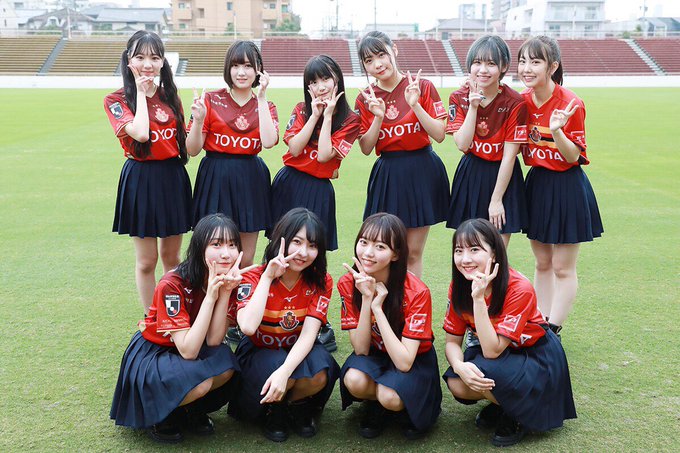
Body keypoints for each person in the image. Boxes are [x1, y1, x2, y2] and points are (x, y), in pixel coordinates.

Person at [110, 213, 250, 443]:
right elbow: (188, 351)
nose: (226, 253)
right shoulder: (172, 284)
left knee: (226, 365)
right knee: (201, 383)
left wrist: (224, 293)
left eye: (232, 245)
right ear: (200, 247)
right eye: (216, 244)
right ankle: (164, 415)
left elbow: (214, 341)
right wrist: (210, 298)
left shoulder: (228, 280)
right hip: (156, 351)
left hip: (189, 347)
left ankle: (189, 408)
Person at [443, 218, 576, 447]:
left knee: (487, 368)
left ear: (494, 253)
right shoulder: (458, 286)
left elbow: (492, 351)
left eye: (474, 249)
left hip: (535, 354)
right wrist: (458, 366)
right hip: (502, 353)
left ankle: (518, 413)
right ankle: (504, 403)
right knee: (458, 383)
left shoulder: (518, 288)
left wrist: (478, 300)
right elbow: (452, 342)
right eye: (459, 250)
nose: (465, 259)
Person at [517, 36, 603, 334]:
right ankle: (539, 322)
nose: (527, 68)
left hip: (567, 186)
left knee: (563, 267)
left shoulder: (571, 103)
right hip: (537, 184)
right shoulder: (522, 101)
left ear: (552, 67)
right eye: (523, 61)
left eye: (535, 62)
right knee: (542, 262)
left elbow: (572, 156)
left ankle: (553, 329)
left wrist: (556, 131)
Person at [230, 208, 340, 442]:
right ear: (281, 240)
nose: (303, 252)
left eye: (312, 245)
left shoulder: (321, 281)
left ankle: (294, 404)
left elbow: (309, 335)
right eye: (297, 242)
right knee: (275, 362)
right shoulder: (253, 277)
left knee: (321, 371)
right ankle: (274, 409)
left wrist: (285, 373)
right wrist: (268, 277)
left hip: (297, 347)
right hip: (259, 350)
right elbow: (247, 327)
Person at [104, 30, 192, 313]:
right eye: (140, 57)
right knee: (146, 261)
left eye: (154, 57)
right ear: (128, 60)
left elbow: (185, 145)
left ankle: (173, 314)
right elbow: (141, 133)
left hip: (172, 177)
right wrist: (141, 94)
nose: (147, 64)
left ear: (163, 62)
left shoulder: (170, 96)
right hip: (140, 179)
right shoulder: (116, 100)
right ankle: (151, 318)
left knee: (172, 257)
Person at [355, 30, 450, 278]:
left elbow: (439, 134)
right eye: (369, 60)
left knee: (413, 252)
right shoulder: (365, 98)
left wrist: (415, 104)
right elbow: (366, 148)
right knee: (385, 247)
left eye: (381, 55)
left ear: (394, 50)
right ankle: (383, 299)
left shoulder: (422, 86)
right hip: (388, 174)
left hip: (422, 170)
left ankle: (412, 300)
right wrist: (377, 117)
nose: (377, 64)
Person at [338, 213, 441, 440]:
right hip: (376, 352)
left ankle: (399, 404)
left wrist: (378, 309)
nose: (368, 252)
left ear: (396, 254)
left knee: (390, 396)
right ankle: (377, 405)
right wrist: (367, 299)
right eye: (364, 242)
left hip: (413, 358)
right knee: (354, 380)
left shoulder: (417, 291)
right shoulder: (348, 283)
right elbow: (361, 349)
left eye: (380, 246)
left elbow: (404, 362)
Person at [186, 40, 278, 268]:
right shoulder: (210, 100)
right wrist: (198, 120)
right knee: (212, 252)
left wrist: (262, 97)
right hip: (215, 176)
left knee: (245, 257)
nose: (241, 72)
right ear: (228, 68)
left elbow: (269, 142)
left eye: (248, 66)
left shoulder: (266, 105)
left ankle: (243, 293)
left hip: (251, 178)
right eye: (236, 65)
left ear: (258, 69)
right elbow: (192, 149)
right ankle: (211, 292)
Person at [270, 55, 360, 251]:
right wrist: (315, 115)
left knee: (312, 249)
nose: (320, 87)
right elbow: (294, 149)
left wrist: (327, 117)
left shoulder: (351, 120)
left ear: (337, 78)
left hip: (319, 189)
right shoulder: (302, 109)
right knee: (280, 246)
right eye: (313, 82)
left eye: (325, 79)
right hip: (289, 182)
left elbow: (323, 155)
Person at [446, 35, 528, 248]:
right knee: (468, 248)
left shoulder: (515, 102)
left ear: (504, 67)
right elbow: (462, 145)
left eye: (491, 63)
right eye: (477, 62)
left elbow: (509, 156)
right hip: (470, 174)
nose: (483, 70)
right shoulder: (458, 97)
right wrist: (473, 107)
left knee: (496, 251)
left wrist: (496, 200)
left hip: (503, 176)